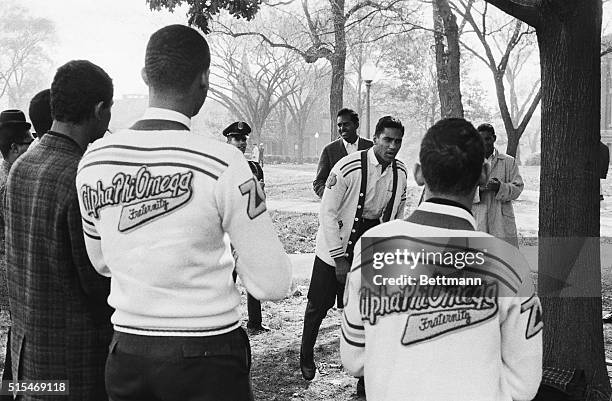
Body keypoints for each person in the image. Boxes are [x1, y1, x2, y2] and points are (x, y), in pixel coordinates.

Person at [75, 25, 292, 401]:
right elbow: (273, 283)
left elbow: (102, 262)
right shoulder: (225, 162)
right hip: (207, 352)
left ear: (145, 76)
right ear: (204, 79)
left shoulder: (94, 160)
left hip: (129, 350)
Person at [340, 118, 542, 400]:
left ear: (419, 174)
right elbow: (525, 382)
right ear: (483, 174)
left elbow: (354, 357)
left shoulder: (373, 248)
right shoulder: (509, 263)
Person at [5, 60, 114, 400]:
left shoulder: (21, 166)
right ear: (99, 110)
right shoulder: (79, 176)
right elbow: (96, 282)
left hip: (28, 361)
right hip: (74, 367)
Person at [300, 116, 408, 394]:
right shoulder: (347, 167)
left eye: (397, 141)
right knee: (317, 306)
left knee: (372, 311)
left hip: (370, 246)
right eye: (387, 140)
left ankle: (365, 377)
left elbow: (397, 214)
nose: (392, 146)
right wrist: (339, 259)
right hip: (335, 240)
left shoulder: (400, 173)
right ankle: (306, 352)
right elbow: (328, 212)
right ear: (375, 137)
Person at [223, 121, 270, 334]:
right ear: (228, 141)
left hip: (250, 228)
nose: (241, 143)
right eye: (236, 139)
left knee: (252, 274)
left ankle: (255, 322)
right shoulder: (220, 166)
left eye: (243, 139)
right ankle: (225, 321)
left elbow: (260, 204)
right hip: (228, 229)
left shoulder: (254, 167)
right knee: (227, 277)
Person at [0, 109, 34, 394]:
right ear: (13, 149)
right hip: (14, 278)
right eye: (27, 143)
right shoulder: (9, 184)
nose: (31, 147)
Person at [472, 123, 524, 247]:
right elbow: (461, 191)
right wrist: (480, 190)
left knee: (504, 258)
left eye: (487, 139)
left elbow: (518, 188)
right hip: (479, 218)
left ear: (494, 138)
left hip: (502, 219)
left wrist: (500, 187)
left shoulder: (508, 161)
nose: (484, 143)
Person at [312, 108, 373, 198]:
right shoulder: (329, 150)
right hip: (339, 208)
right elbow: (318, 182)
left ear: (356, 125)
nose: (342, 128)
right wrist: (329, 198)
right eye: (339, 125)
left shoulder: (370, 147)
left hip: (366, 206)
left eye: (346, 124)